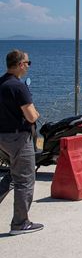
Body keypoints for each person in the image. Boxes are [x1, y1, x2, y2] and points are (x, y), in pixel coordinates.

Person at [0, 49, 43, 235]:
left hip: (2, 138)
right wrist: (37, 114)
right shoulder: (18, 87)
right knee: (25, 180)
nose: (28, 66)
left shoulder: (1, 84)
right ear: (20, 65)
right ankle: (20, 223)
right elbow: (32, 116)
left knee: (11, 176)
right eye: (28, 62)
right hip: (18, 138)